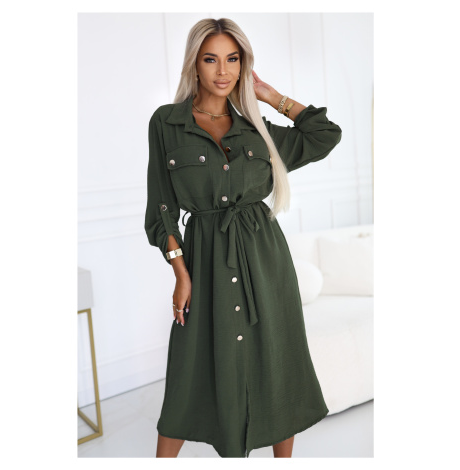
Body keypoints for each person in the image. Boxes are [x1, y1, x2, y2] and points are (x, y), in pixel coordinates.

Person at [144, 17, 342, 458]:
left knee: (277, 365)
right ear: (194, 64)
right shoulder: (167, 123)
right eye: (210, 59)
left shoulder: (256, 128)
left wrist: (269, 95)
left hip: (266, 263)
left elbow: (325, 135)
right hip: (205, 262)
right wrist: (180, 273)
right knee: (189, 374)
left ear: (243, 64)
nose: (223, 71)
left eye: (232, 59)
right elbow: (161, 207)